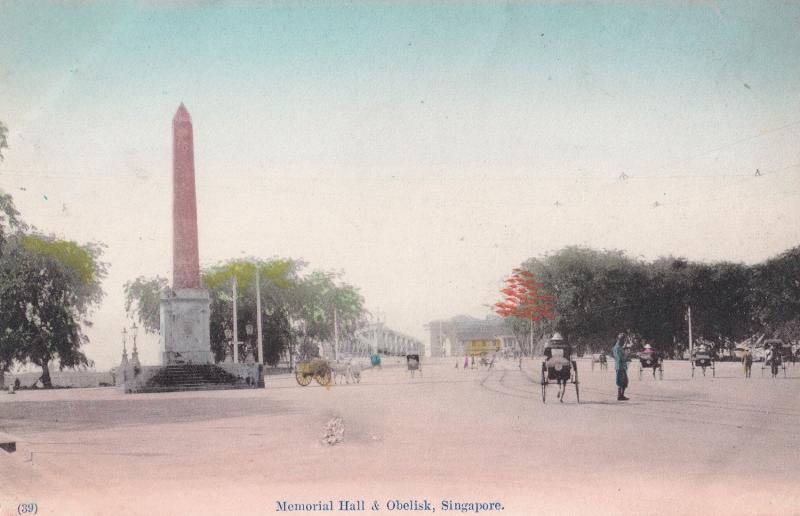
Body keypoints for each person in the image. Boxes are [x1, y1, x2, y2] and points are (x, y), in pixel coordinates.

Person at [612, 333, 630, 401]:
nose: (623, 342)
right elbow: (619, 358)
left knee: (625, 381)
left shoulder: (619, 347)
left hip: (622, 366)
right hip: (619, 367)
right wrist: (626, 356)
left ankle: (621, 395)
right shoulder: (617, 348)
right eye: (622, 340)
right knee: (620, 381)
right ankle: (620, 396)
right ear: (619, 340)